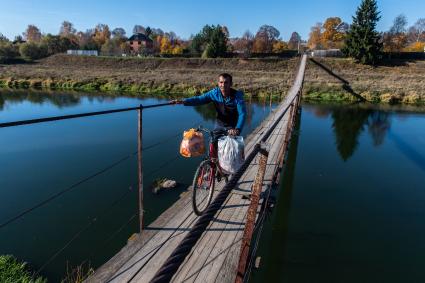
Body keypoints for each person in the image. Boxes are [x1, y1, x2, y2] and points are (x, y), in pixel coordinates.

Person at [171, 73, 246, 138]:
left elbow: (242, 113)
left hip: (233, 126)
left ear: (231, 84)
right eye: (221, 82)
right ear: (218, 83)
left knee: (231, 149)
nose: (223, 85)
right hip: (219, 124)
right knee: (214, 143)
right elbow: (199, 99)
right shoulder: (214, 93)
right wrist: (183, 101)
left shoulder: (237, 96)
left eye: (226, 82)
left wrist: (237, 129)